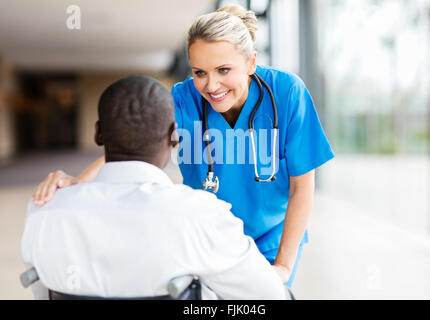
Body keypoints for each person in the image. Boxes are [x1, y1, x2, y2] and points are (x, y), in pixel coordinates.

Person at [32, 4, 334, 288]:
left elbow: (302, 187)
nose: (211, 86)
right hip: (205, 236)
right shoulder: (183, 98)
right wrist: (77, 182)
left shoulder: (287, 93)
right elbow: (133, 143)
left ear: (251, 62)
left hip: (271, 238)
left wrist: (282, 266)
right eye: (199, 72)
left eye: (224, 70)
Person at [21, 75, 288, 300]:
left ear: (98, 134)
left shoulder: (45, 210)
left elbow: (42, 290)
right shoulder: (202, 216)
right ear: (174, 136)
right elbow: (270, 297)